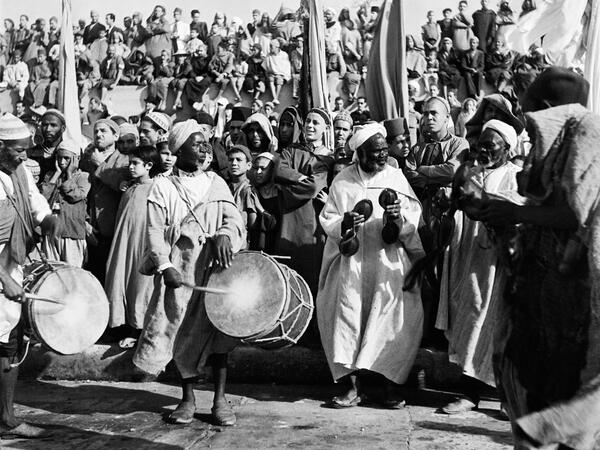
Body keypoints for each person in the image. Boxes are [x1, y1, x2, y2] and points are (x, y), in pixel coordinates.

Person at [478, 68, 600, 449]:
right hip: (550, 298)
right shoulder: (564, 137)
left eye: (530, 125)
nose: (529, 138)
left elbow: (575, 212)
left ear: (548, 109)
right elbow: (545, 205)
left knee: (570, 415)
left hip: (580, 302)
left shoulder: (588, 130)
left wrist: (514, 214)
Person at [133, 120, 245, 427]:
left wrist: (225, 234)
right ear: (178, 148)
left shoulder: (217, 183)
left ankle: (220, 400)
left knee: (219, 333)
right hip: (180, 273)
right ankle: (188, 398)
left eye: (205, 143)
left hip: (214, 270)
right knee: (180, 332)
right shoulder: (163, 186)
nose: (203, 148)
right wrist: (165, 266)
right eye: (196, 144)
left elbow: (235, 220)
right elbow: (154, 232)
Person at [318, 123, 424, 408]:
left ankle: (389, 387)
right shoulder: (343, 180)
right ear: (359, 153)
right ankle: (352, 387)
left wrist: (397, 218)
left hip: (386, 263)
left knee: (390, 321)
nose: (381, 156)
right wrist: (346, 222)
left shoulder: (396, 178)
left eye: (384, 150)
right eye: (374, 152)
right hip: (351, 266)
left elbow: (413, 220)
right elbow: (329, 218)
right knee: (346, 316)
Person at [437, 119, 522, 414]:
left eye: (491, 146)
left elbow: (518, 214)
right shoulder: (469, 173)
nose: (483, 150)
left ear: (507, 149)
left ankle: (505, 399)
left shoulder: (515, 176)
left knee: (500, 326)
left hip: (500, 265)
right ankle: (469, 393)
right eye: (481, 145)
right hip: (469, 259)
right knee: (470, 321)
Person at [0, 113, 58, 439]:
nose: (24, 156)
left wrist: (48, 220)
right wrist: (4, 280)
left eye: (26, 149)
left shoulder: (19, 171)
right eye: (18, 150)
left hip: (12, 264)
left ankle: (6, 418)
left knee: (9, 343)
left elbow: (35, 201)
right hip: (1, 271)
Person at [105, 145, 159, 349]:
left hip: (142, 244)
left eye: (136, 164)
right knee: (120, 278)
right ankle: (119, 324)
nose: (131, 167)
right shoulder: (130, 188)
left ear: (149, 165)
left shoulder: (156, 188)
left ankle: (138, 329)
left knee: (140, 285)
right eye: (131, 163)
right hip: (124, 243)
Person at [80, 119, 130, 284]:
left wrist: (100, 164)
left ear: (116, 136)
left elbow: (121, 185)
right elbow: (81, 194)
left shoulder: (125, 161)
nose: (98, 135)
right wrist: (84, 222)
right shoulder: (86, 160)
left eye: (103, 131)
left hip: (113, 232)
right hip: (90, 231)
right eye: (96, 131)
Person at [39, 139, 90, 267]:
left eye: (67, 158)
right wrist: (56, 174)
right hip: (51, 232)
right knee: (52, 270)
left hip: (71, 232)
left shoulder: (83, 177)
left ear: (76, 159)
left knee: (73, 272)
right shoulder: (51, 176)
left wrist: (68, 174)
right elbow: (42, 199)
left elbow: (76, 196)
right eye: (59, 158)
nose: (62, 162)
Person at [28, 109, 65, 183]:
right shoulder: (32, 152)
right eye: (45, 125)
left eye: (53, 125)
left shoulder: (70, 151)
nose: (48, 129)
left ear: (63, 128)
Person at [262, 39, 291, 105]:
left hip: (280, 74)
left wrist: (284, 75)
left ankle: (276, 97)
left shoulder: (284, 55)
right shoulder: (269, 55)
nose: (270, 48)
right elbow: (265, 66)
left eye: (271, 46)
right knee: (271, 79)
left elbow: (286, 66)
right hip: (271, 74)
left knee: (279, 80)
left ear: (277, 47)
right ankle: (275, 98)